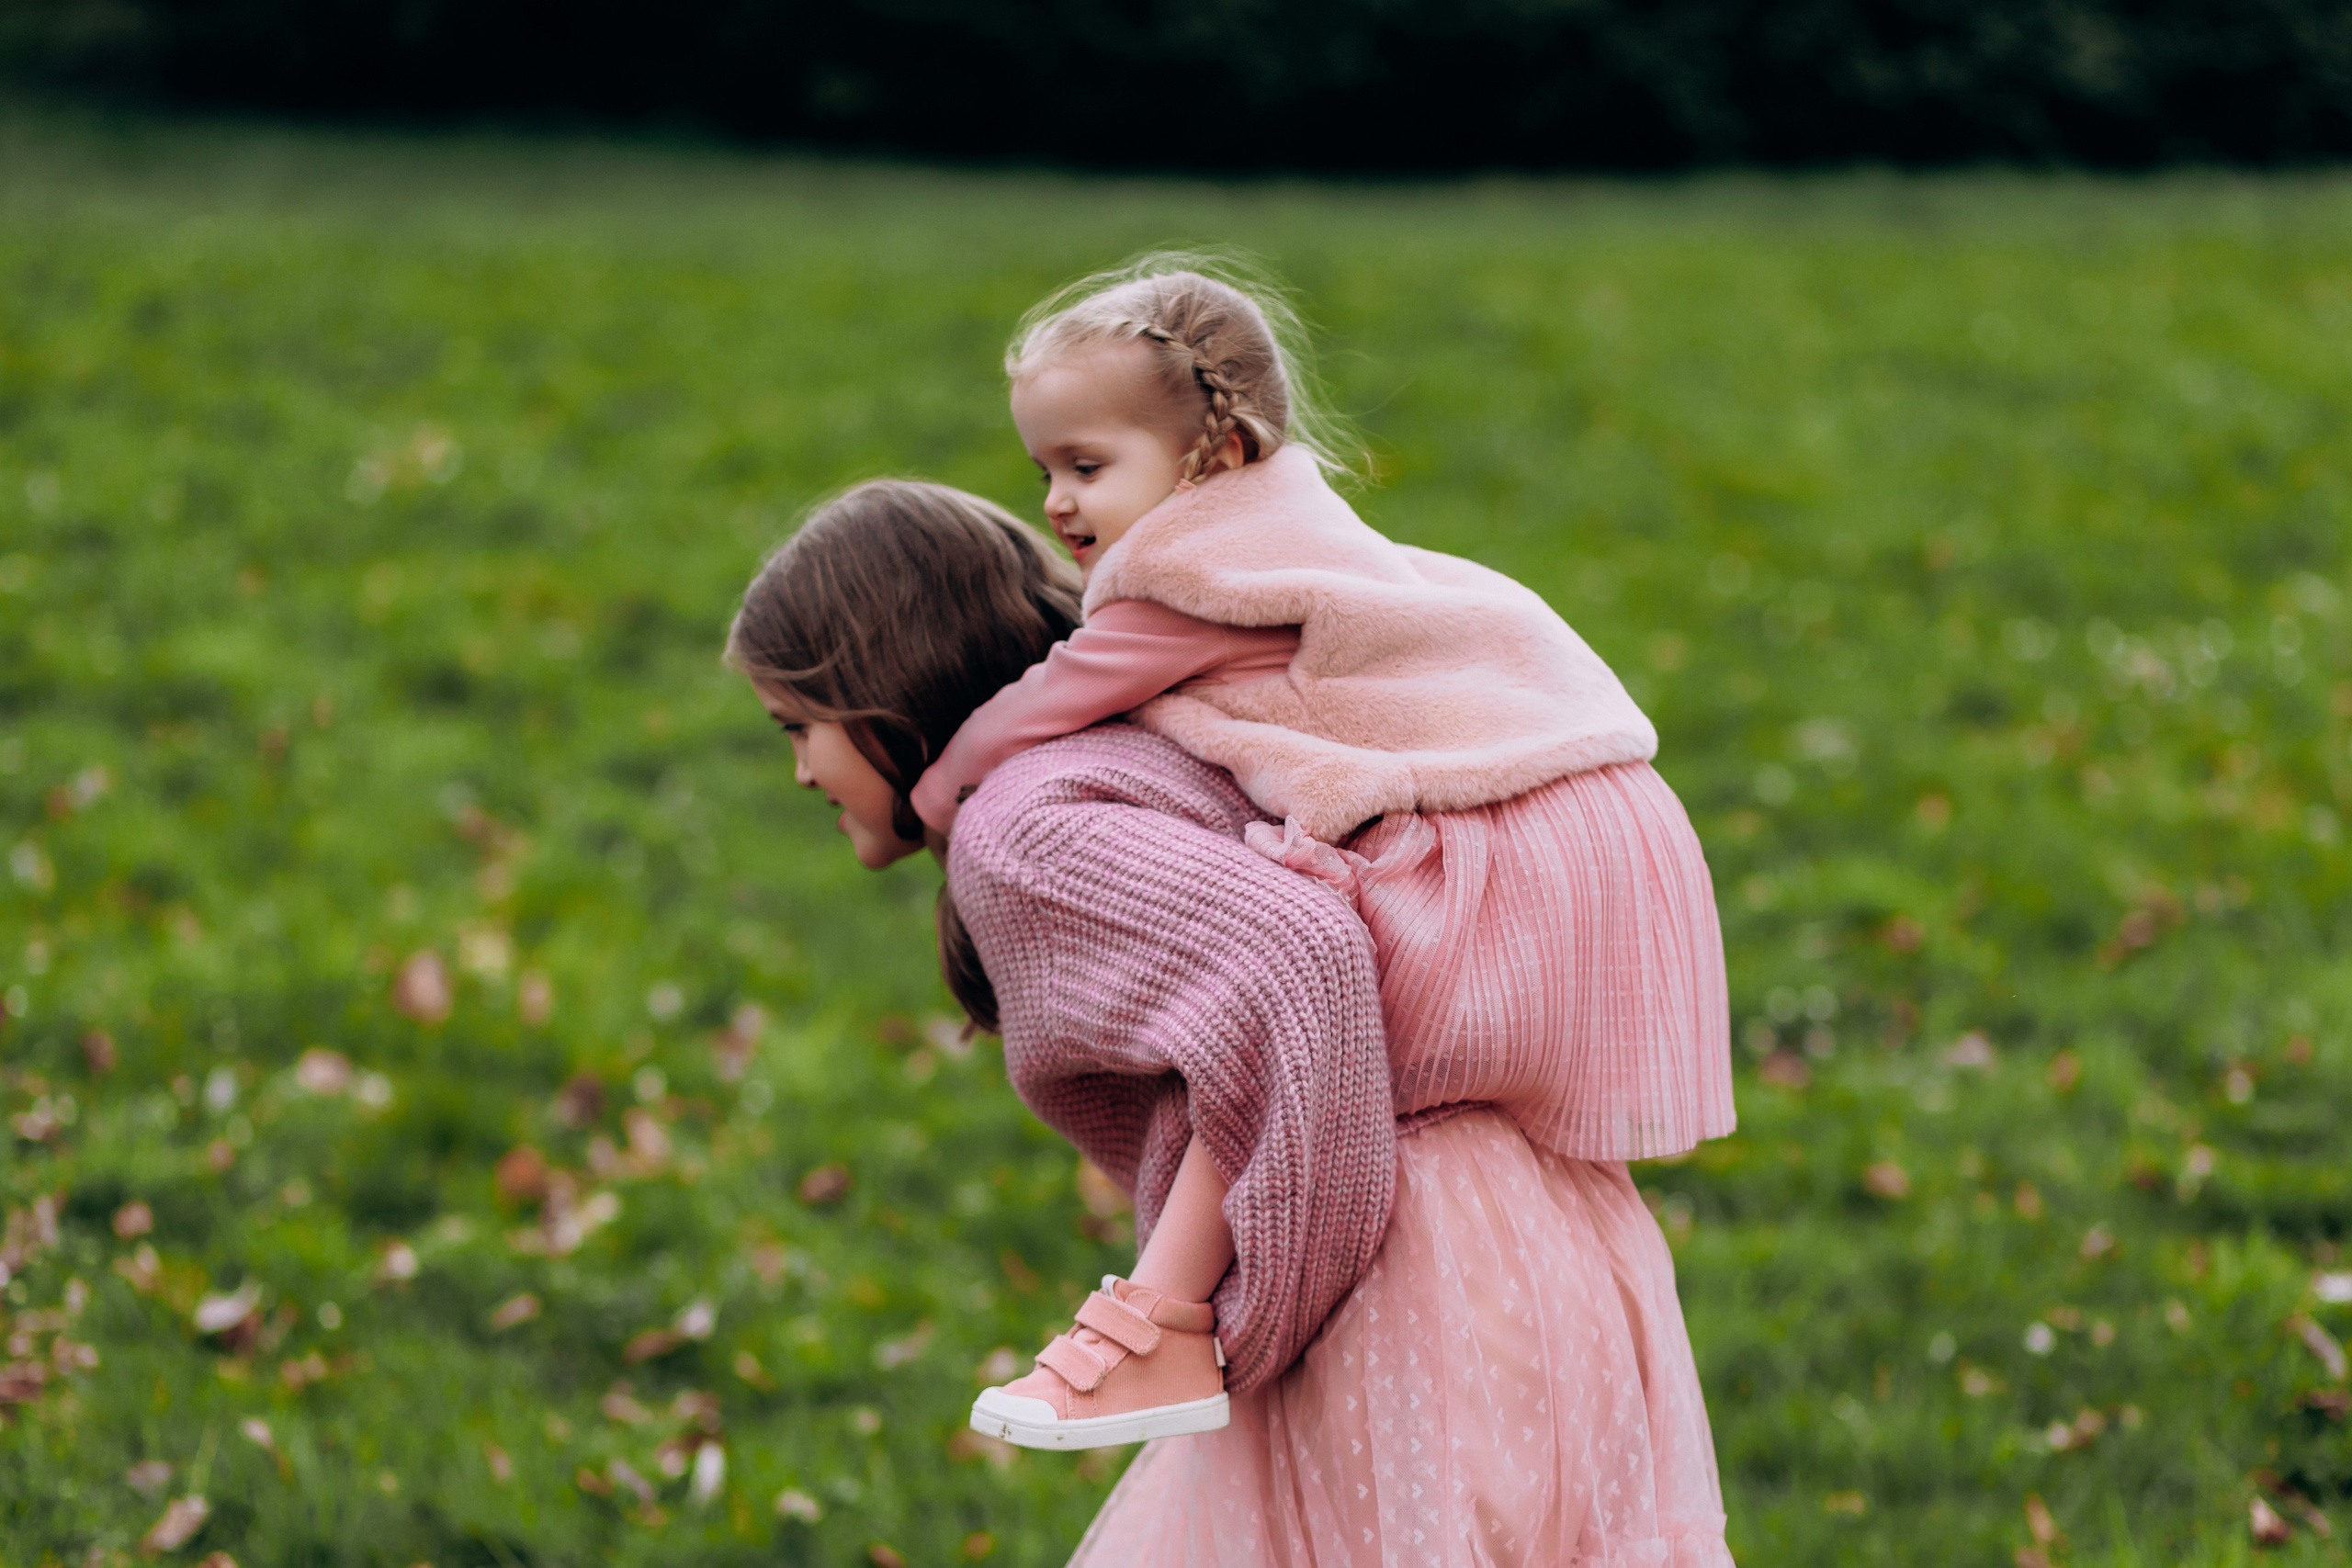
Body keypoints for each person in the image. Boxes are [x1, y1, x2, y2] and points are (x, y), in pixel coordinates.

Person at [725, 477, 1736, 1566]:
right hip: (1535, 1235)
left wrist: (1220, 1330)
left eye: (800, 726)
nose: (796, 770)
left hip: (1409, 1288)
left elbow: (1296, 963)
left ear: (882, 684)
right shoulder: (1168, 737)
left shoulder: (1021, 827)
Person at [899, 256, 1736, 1451]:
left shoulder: (1192, 573)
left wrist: (936, 795)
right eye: (1045, 470)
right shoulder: (1299, 539)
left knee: (1266, 1012)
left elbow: (1037, 707)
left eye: (1088, 466)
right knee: (1279, 1001)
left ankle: (1164, 1317)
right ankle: (1167, 1314)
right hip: (1567, 825)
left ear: (1218, 450)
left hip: (1500, 845)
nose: (1059, 505)